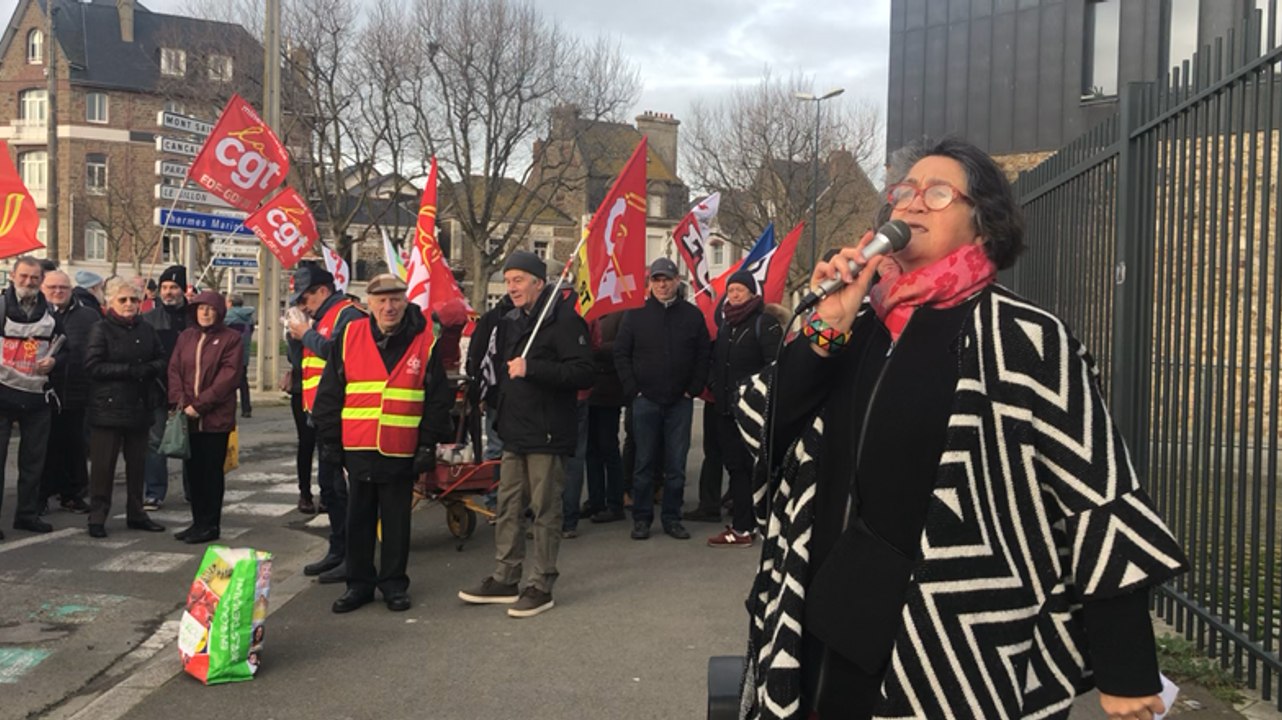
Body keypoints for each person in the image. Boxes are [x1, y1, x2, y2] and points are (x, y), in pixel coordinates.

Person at [735, 137, 1188, 720]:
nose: (912, 202)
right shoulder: (857, 324)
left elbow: (1098, 496)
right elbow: (763, 428)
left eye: (938, 193)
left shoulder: (1023, 337)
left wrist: (1126, 666)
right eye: (904, 191)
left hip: (953, 641)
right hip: (823, 621)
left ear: (983, 222)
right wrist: (823, 332)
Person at [458, 251, 592, 618]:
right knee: (508, 506)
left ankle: (541, 584)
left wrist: (533, 368)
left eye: (518, 280)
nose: (511, 287)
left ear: (539, 283)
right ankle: (506, 577)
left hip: (547, 433)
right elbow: (502, 371)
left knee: (545, 510)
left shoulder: (565, 321)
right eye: (508, 281)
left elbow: (583, 372)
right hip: (514, 430)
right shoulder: (511, 321)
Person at [312, 274, 452, 614]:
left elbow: (437, 399)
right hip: (357, 445)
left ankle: (393, 584)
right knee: (358, 519)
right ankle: (358, 585)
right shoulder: (349, 335)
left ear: (405, 301)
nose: (389, 307)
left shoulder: (425, 341)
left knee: (396, 522)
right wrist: (330, 441)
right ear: (369, 304)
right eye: (381, 300)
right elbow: (330, 392)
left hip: (401, 447)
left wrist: (427, 444)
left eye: (395, 299)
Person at [613, 257, 709, 541]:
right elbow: (621, 353)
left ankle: (672, 518)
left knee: (676, 465)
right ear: (650, 283)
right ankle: (642, 519)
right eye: (656, 280)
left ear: (677, 281)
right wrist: (633, 389)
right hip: (645, 400)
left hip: (680, 401)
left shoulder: (692, 316)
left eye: (666, 279)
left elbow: (703, 354)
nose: (662, 285)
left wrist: (693, 388)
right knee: (643, 463)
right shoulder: (635, 314)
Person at [287, 264, 365, 583]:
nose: (303, 306)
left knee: (342, 490)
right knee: (330, 490)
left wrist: (306, 334)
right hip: (322, 417)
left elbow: (339, 355)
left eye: (305, 299)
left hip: (342, 417)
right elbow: (302, 362)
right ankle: (338, 550)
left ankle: (351, 557)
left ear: (322, 291)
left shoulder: (348, 315)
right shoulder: (321, 319)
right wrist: (295, 336)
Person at [83, 279, 167, 538]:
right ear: (111, 302)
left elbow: (161, 357)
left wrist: (150, 369)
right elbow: (93, 366)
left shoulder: (147, 329)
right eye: (123, 300)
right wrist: (129, 370)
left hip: (139, 406)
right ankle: (97, 516)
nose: (129, 304)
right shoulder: (101, 329)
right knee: (103, 466)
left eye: (134, 299)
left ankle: (137, 512)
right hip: (108, 408)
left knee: (137, 465)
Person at [705, 271, 780, 548]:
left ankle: (750, 526)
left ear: (752, 293)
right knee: (736, 468)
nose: (734, 295)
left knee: (754, 469)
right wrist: (714, 385)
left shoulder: (764, 323)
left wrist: (752, 394)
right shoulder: (727, 324)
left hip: (753, 413)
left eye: (740, 290)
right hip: (727, 411)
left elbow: (775, 365)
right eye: (731, 290)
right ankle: (744, 525)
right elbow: (716, 362)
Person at [168, 290, 243, 545]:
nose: (205, 313)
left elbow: (228, 378)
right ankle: (197, 522)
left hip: (215, 420)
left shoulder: (231, 339)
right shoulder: (186, 337)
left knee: (211, 474)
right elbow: (174, 370)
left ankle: (210, 524)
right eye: (201, 308)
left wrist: (199, 406)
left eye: (210, 309)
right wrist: (180, 401)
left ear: (220, 311)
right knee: (193, 473)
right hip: (187, 417)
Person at [0, 257, 67, 537]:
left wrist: (55, 361)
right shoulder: (2, 307)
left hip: (37, 397)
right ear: (13, 276)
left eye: (34, 278)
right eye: (24, 276)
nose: (28, 282)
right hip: (2, 395)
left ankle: (27, 515)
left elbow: (65, 348)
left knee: (34, 462)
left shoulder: (50, 312)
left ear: (41, 280)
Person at [38, 270, 99, 514]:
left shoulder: (88, 315)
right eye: (52, 287)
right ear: (42, 289)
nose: (58, 291)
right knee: (43, 448)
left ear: (71, 289)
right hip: (42, 392)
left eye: (63, 287)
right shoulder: (36, 314)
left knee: (75, 446)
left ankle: (72, 494)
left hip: (76, 390)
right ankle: (40, 496)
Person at [143, 265, 189, 509]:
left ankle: (193, 491)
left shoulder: (195, 317)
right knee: (154, 442)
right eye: (164, 287)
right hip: (158, 389)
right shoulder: (149, 319)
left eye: (174, 287)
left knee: (191, 441)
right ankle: (154, 491)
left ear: (183, 289)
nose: (168, 292)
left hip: (190, 391)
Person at [585, 312, 626, 523]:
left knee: (608, 448)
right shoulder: (586, 311)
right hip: (588, 390)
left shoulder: (621, 313)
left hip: (609, 390)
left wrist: (594, 347)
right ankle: (596, 500)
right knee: (590, 450)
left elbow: (622, 345)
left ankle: (615, 503)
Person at [224, 294, 255, 418]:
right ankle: (246, 408)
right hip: (244, 353)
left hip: (229, 354)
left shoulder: (227, 316)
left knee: (227, 383)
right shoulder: (249, 318)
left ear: (230, 303)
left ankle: (228, 409)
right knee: (243, 382)